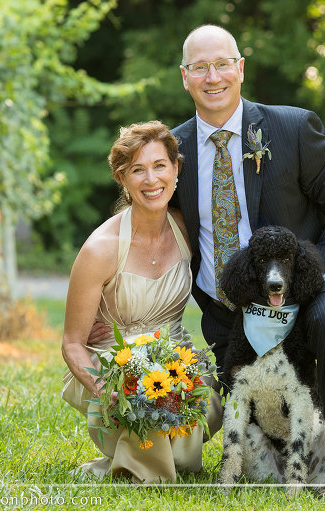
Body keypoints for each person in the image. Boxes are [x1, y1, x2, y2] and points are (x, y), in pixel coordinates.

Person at [172, 25, 325, 500]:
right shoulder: (173, 151)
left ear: (240, 69)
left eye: (222, 63)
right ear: (185, 77)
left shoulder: (291, 128)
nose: (212, 75)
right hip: (231, 309)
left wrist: (311, 276)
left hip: (310, 285)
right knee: (253, 429)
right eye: (200, 66)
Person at [61, 121, 221, 483]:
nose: (151, 180)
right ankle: (136, 459)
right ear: (122, 178)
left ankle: (157, 453)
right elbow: (71, 343)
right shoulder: (100, 250)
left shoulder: (189, 230)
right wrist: (107, 392)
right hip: (113, 364)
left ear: (176, 169)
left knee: (193, 402)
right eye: (137, 169)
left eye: (159, 165)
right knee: (144, 405)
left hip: (174, 356)